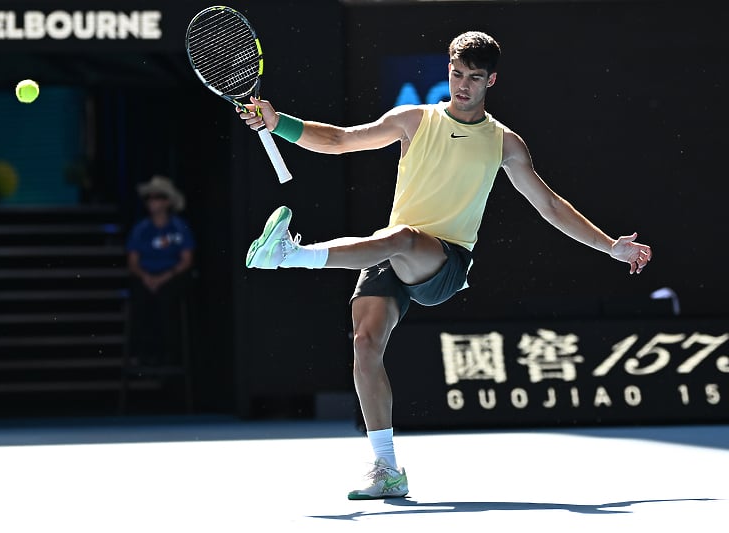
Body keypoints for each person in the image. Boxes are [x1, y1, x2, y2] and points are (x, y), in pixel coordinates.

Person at [237, 31, 652, 500]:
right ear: (448, 70)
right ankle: (387, 468)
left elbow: (550, 206)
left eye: (475, 78)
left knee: (398, 238)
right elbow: (340, 141)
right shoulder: (414, 119)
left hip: (445, 263)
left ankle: (293, 256)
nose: (463, 85)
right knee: (365, 343)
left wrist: (607, 246)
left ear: (491, 80)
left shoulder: (504, 144)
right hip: (392, 256)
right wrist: (277, 122)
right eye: (457, 74)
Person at [126, 175, 195, 368]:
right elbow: (132, 262)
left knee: (168, 300)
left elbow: (187, 260)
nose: (152, 202)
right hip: (145, 277)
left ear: (167, 201)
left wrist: (165, 277)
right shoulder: (141, 229)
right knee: (141, 300)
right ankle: (142, 354)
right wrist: (146, 277)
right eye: (149, 197)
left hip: (171, 277)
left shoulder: (179, 227)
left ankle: (170, 355)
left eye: (157, 197)